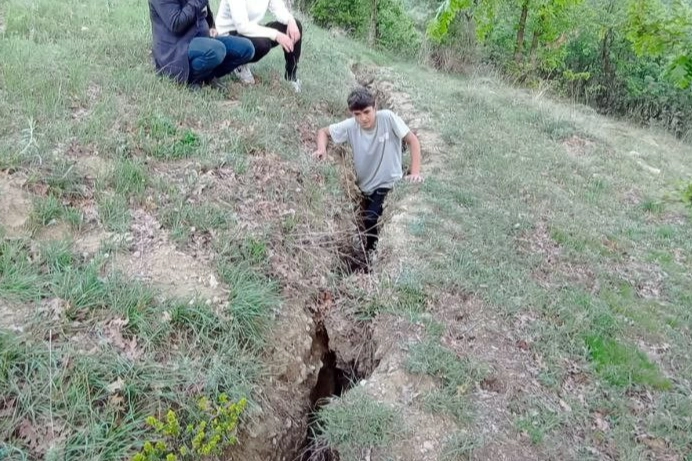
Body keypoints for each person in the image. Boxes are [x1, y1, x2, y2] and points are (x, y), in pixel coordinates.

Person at [313, 87, 424, 256]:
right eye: (357, 114)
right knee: (367, 216)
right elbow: (323, 132)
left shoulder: (387, 118)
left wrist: (414, 172)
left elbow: (412, 140)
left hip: (389, 182)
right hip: (365, 188)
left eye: (366, 112)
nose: (363, 118)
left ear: (375, 107)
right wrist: (322, 149)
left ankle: (371, 254)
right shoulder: (351, 127)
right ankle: (366, 251)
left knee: (371, 218)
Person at [148, 0, 255, 87]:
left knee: (246, 48)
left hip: (201, 38)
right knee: (217, 50)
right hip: (176, 48)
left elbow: (203, 12)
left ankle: (208, 76)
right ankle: (191, 80)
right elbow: (176, 23)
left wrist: (212, 26)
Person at [215, 0, 303, 92]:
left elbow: (279, 9)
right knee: (263, 44)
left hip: (249, 30)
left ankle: (291, 77)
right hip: (228, 36)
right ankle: (239, 64)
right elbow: (242, 26)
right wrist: (276, 35)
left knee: (294, 26)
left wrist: (290, 21)